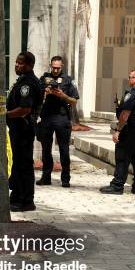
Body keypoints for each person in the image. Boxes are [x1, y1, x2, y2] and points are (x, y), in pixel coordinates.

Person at [99, 69, 135, 195]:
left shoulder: (133, 93)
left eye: (131, 77)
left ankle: (117, 186)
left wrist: (118, 130)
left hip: (131, 131)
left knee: (122, 157)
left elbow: (125, 114)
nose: (129, 79)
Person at [6, 51, 43, 212]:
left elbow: (24, 109)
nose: (16, 65)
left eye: (20, 63)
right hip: (18, 129)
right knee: (19, 163)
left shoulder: (27, 84)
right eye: (16, 62)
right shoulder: (23, 80)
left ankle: (26, 201)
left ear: (29, 65)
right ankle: (16, 197)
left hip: (23, 128)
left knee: (23, 164)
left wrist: (3, 115)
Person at [36, 56, 80, 188]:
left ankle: (65, 179)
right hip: (47, 117)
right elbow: (36, 97)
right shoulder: (44, 79)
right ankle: (46, 176)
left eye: (58, 68)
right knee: (46, 149)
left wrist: (63, 96)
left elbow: (74, 101)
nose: (55, 70)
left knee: (64, 149)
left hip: (62, 118)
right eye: (53, 67)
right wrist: (45, 93)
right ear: (50, 65)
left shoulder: (68, 80)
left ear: (62, 67)